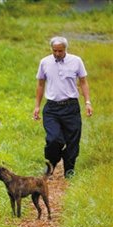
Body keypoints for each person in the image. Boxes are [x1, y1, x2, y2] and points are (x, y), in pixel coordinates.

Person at [33, 36, 93, 178]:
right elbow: (40, 84)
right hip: (52, 108)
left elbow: (83, 82)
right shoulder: (45, 62)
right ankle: (52, 165)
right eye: (55, 51)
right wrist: (36, 106)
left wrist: (88, 102)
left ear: (65, 49)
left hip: (71, 106)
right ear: (51, 49)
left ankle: (69, 169)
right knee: (54, 139)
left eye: (60, 51)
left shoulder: (76, 61)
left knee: (73, 140)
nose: (57, 54)